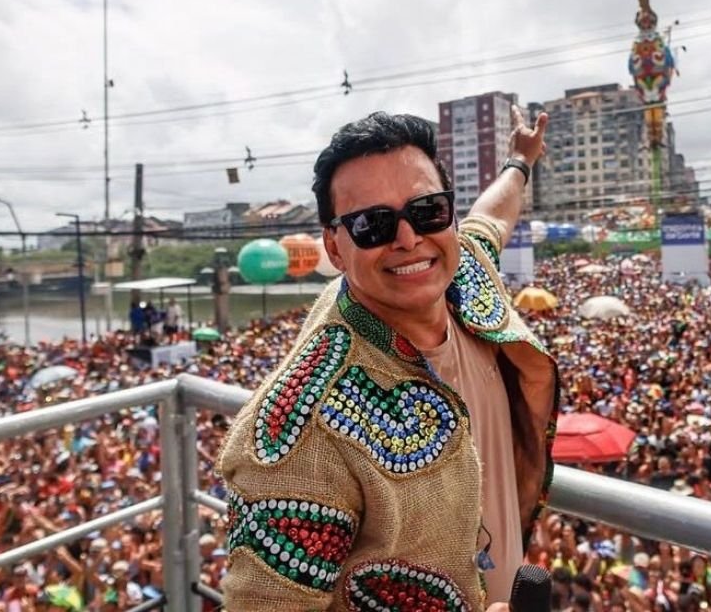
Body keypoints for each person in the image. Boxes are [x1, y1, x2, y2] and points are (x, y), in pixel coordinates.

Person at [220, 110, 558, 610]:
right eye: (372, 224)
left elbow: (493, 218)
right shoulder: (300, 433)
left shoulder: (463, 270)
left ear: (449, 215)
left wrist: (519, 160)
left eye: (427, 209)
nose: (407, 238)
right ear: (334, 247)